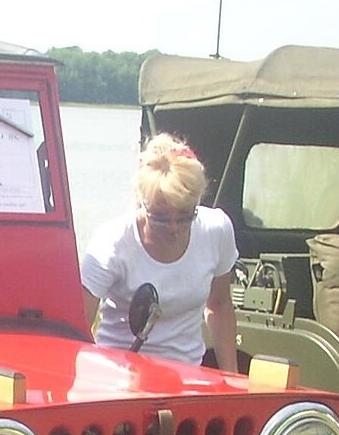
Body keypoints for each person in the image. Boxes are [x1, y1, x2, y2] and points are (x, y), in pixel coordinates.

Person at [79, 133, 238, 370]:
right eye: (161, 219)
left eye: (185, 216)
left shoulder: (216, 229)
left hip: (187, 376)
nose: (174, 228)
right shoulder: (112, 241)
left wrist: (231, 377)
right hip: (120, 378)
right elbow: (77, 328)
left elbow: (220, 305)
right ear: (141, 203)